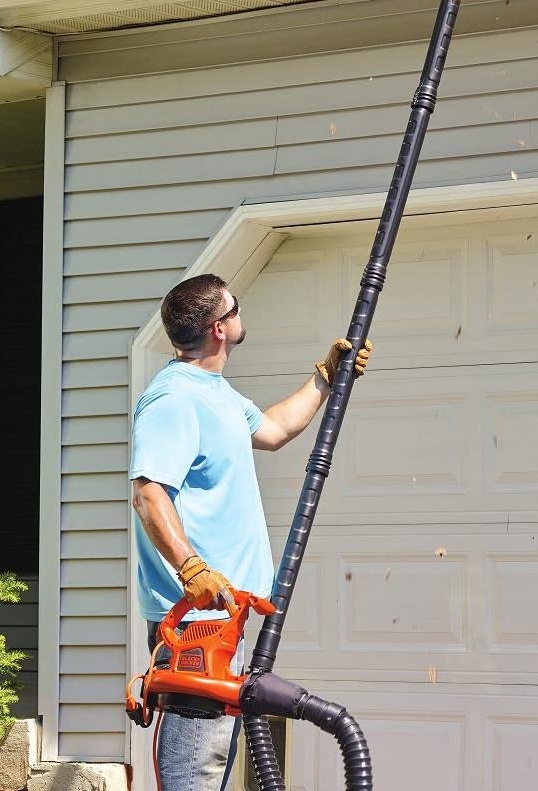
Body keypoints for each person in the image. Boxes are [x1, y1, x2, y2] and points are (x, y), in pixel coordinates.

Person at [129, 273, 372, 791]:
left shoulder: (214, 392)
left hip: (227, 617)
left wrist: (327, 378)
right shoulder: (172, 399)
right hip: (197, 624)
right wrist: (191, 568)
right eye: (235, 308)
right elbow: (149, 493)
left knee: (215, 770)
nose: (241, 314)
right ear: (221, 327)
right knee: (195, 776)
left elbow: (274, 429)